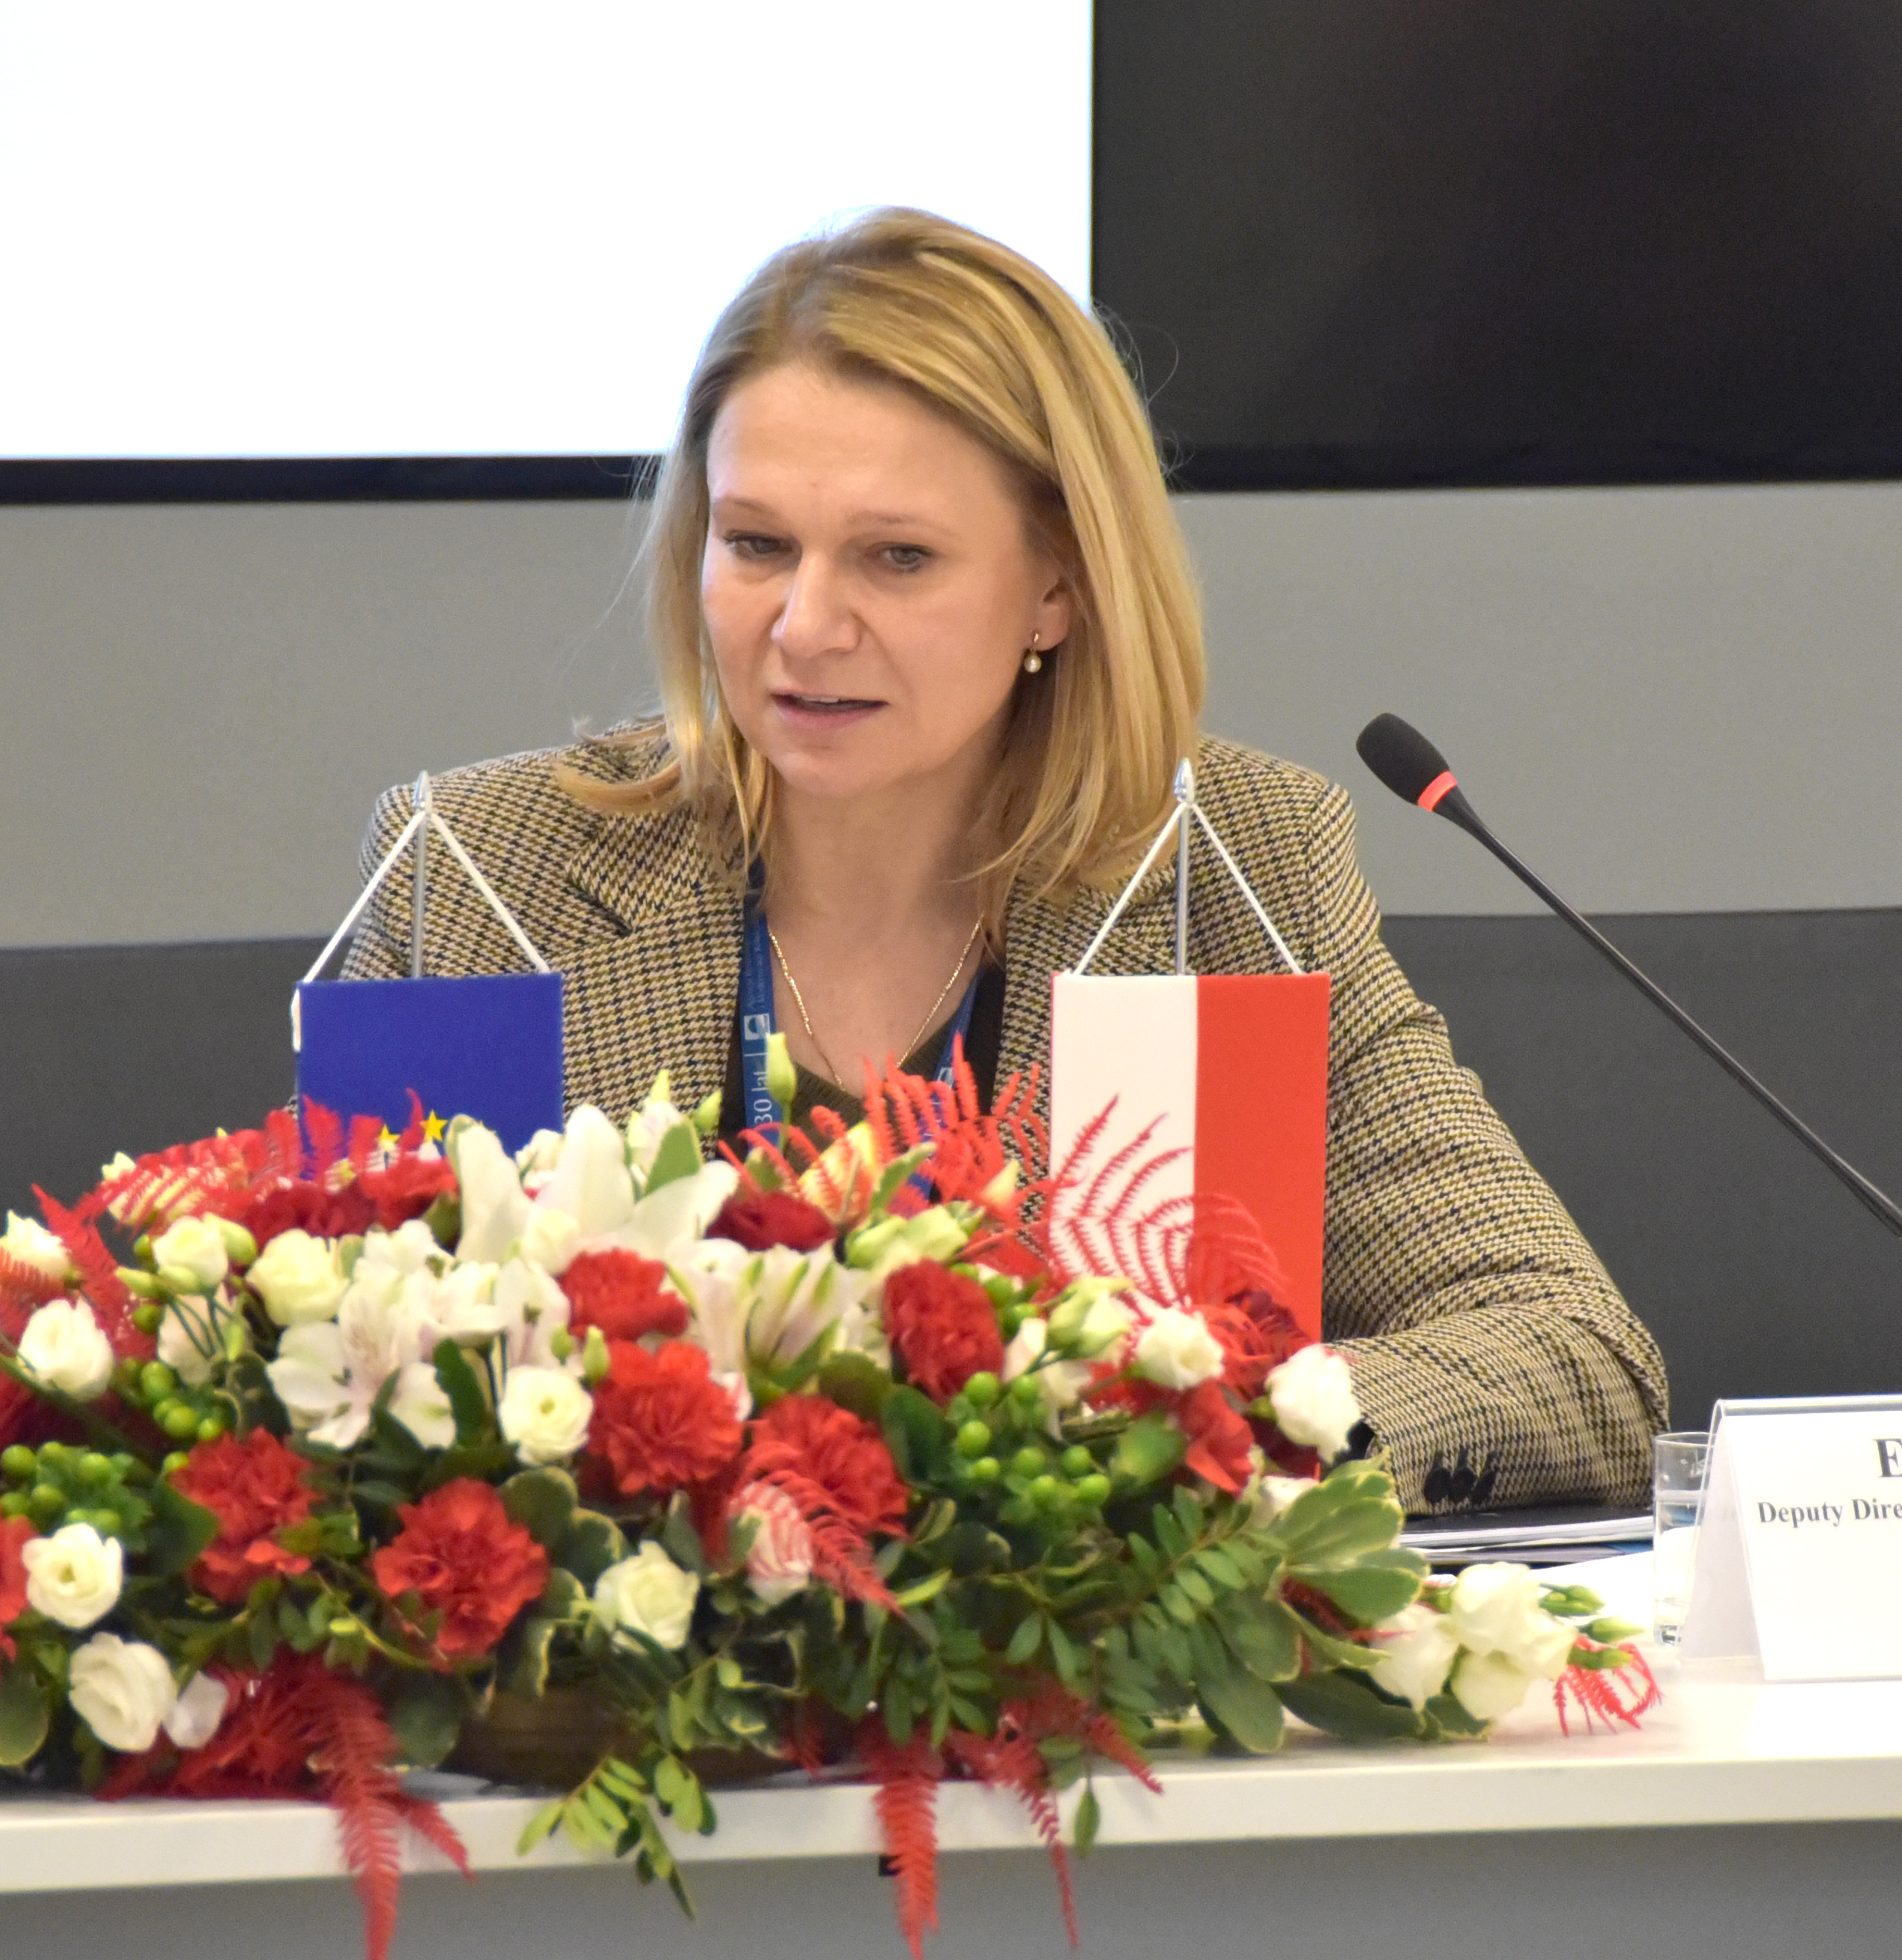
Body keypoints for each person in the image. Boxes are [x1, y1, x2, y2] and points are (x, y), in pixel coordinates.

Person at [341, 208, 1667, 1513]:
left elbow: (1572, 1356)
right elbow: (329, 1382)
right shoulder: (481, 876)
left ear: (1057, 588)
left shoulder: (1234, 871)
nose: (805, 626)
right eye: (756, 546)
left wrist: (1185, 1438)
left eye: (897, 558)